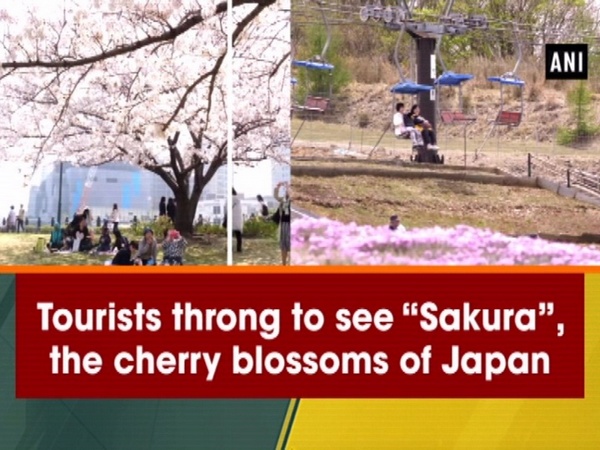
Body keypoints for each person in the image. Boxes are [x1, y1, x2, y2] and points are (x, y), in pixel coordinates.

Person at [273, 181, 292, 265]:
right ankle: (284, 264)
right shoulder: (283, 200)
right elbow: (276, 196)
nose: (287, 190)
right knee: (283, 246)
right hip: (284, 224)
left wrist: (288, 187)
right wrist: (278, 187)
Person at [224, 188, 244, 252]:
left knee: (230, 235)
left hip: (231, 218)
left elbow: (225, 208)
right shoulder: (238, 199)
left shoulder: (229, 199)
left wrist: (225, 217)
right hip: (238, 219)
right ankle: (239, 248)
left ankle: (229, 248)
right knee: (238, 235)